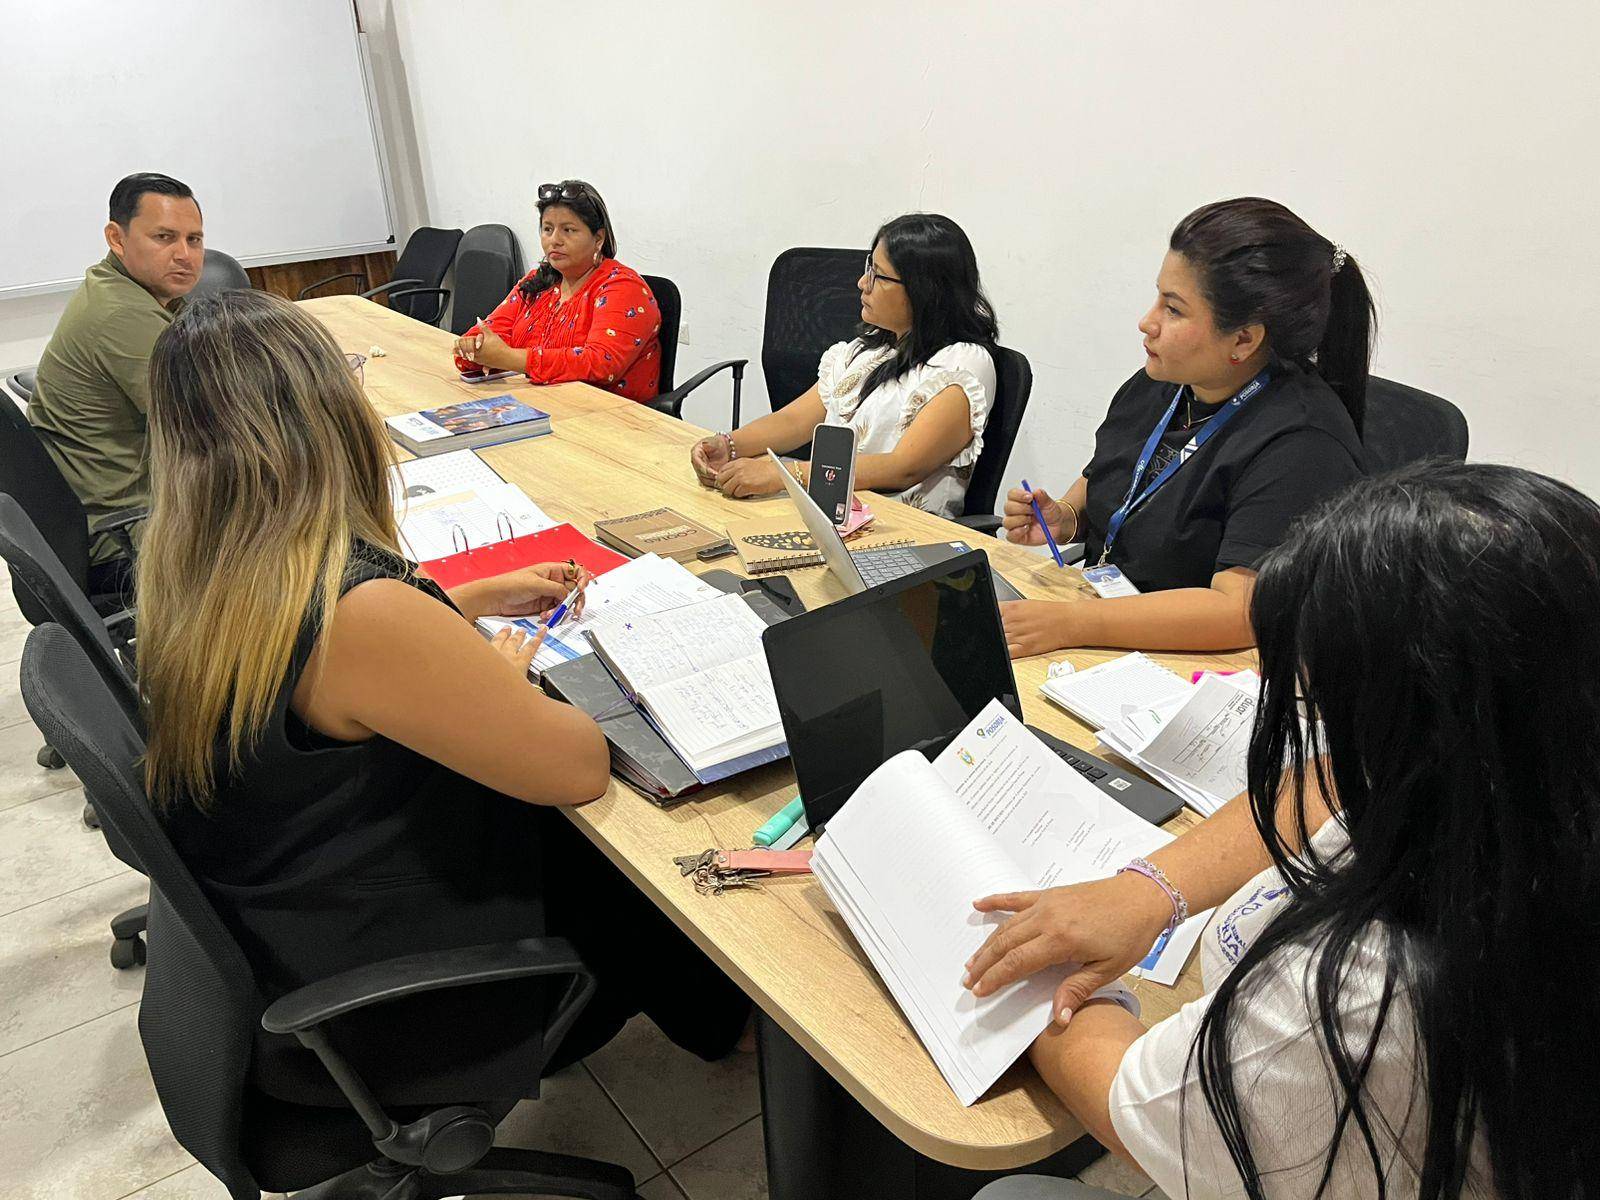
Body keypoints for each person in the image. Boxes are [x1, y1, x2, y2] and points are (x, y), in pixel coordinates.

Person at [141, 290, 748, 1105]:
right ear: (329, 422)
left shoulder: (202, 563)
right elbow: (577, 765)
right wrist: (495, 680)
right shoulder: (361, 615)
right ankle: (729, 1028)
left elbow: (318, 659)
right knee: (634, 859)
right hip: (395, 1001)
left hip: (295, 927)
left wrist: (462, 603)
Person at [964, 462, 1600, 1199]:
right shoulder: (1525, 782)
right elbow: (1328, 783)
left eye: (1326, 709)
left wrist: (1040, 979)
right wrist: (1148, 890)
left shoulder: (1348, 1000)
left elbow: (1138, 1108)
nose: (1324, 743)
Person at [1000, 198, 1370, 659]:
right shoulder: (1164, 381)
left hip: (1195, 660)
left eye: (1173, 309)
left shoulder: (1303, 443)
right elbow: (1112, 473)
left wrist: (1071, 623)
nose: (1147, 322)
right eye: (1158, 297)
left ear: (1244, 339)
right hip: (1102, 623)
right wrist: (1067, 518)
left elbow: (1239, 611)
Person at [689, 213, 999, 519]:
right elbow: (794, 421)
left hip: (904, 531)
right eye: (868, 268)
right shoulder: (867, 350)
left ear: (924, 290)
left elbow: (903, 467)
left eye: (879, 276)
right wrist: (729, 445)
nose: (863, 283)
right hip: (833, 515)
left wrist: (781, 474)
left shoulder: (963, 364)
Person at [28, 172, 205, 594]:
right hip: (125, 539)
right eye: (164, 237)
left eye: (194, 239)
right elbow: (214, 427)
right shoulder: (123, 314)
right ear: (116, 238)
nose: (184, 255)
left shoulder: (121, 289)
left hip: (107, 514)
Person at [453, 179, 662, 402]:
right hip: (538, 404)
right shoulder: (537, 282)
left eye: (568, 230)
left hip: (605, 414)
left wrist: (510, 358)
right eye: (547, 229)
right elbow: (488, 334)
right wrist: (475, 349)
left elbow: (601, 363)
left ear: (598, 238)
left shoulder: (623, 288)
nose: (554, 240)